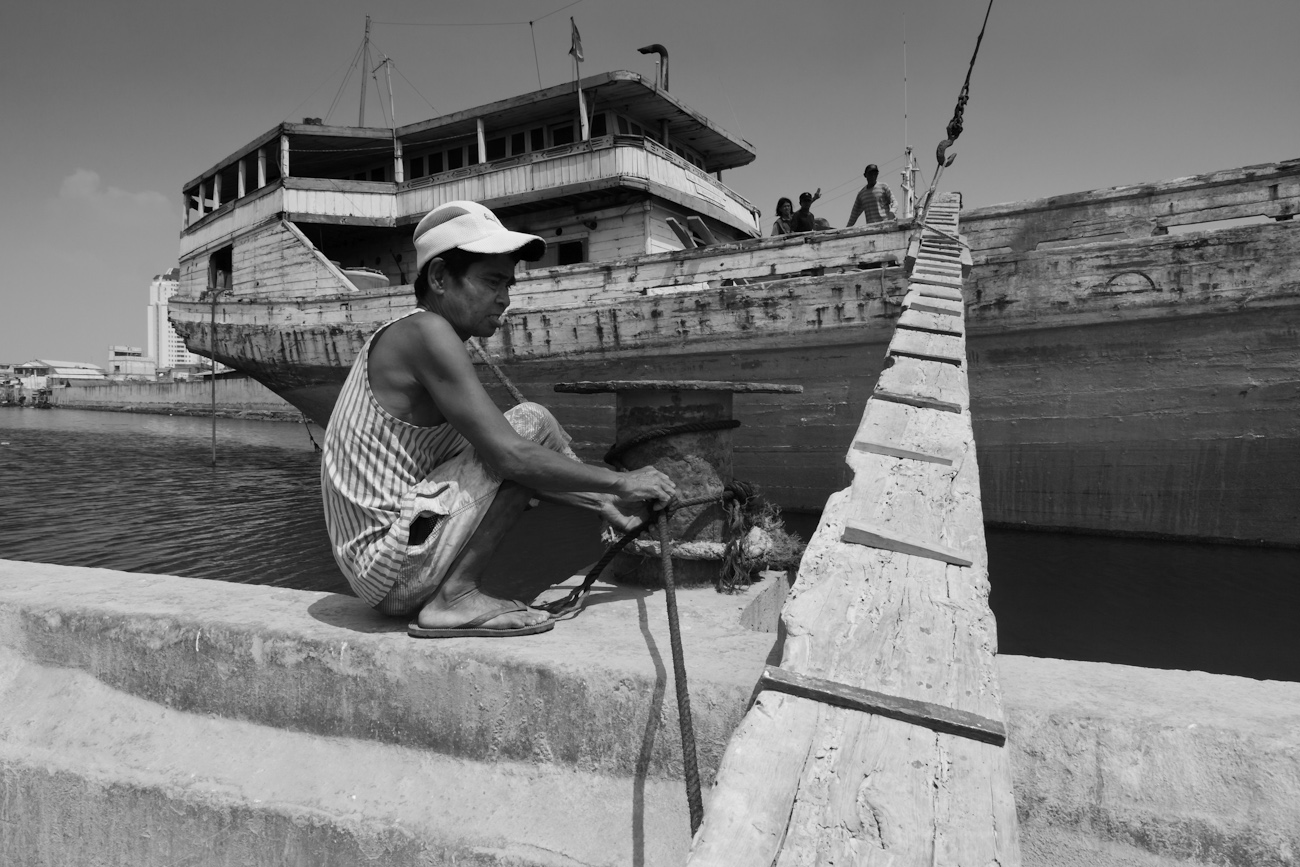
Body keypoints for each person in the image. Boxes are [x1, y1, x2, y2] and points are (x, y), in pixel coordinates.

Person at [321, 200, 678, 638]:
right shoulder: (426, 333)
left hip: (388, 569)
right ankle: (454, 598)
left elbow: (503, 463)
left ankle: (461, 588)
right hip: (389, 568)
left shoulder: (430, 335)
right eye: (492, 282)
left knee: (533, 424)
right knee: (526, 429)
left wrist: (602, 504)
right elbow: (510, 459)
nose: (505, 299)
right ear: (438, 278)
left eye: (508, 284)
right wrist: (623, 483)